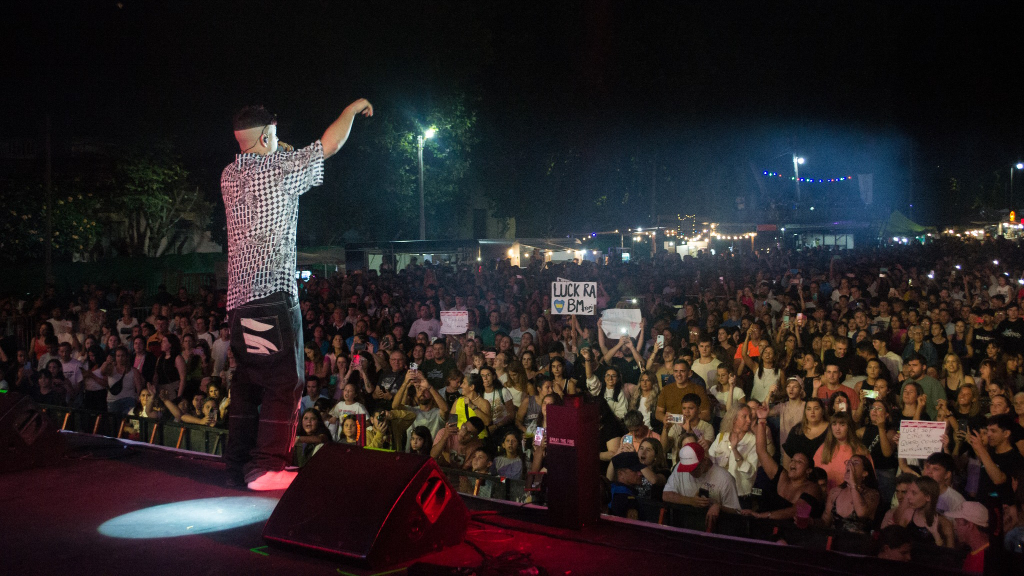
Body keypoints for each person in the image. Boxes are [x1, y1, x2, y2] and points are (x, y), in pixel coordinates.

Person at [221, 98, 373, 490]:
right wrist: (352, 110)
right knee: (283, 381)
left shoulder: (229, 175)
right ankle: (267, 466)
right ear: (269, 134)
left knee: (248, 383)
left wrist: (272, 141)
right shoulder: (279, 171)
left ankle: (237, 462)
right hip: (271, 296)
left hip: (238, 303)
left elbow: (270, 150)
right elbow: (329, 145)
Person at [745, 402, 824, 522]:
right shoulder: (782, 476)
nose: (793, 463)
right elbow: (761, 451)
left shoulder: (812, 488)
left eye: (799, 462)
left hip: (794, 534)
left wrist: (763, 516)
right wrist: (761, 419)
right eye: (792, 460)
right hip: (770, 528)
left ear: (808, 470)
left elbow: (796, 510)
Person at [662, 442, 741, 532]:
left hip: (713, 531)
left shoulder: (725, 478)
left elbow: (736, 512)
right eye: (687, 469)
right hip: (685, 526)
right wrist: (690, 501)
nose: (691, 472)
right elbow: (666, 495)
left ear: (705, 460)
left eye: (694, 468)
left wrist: (718, 506)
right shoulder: (679, 468)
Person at [708, 404, 761, 505]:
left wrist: (735, 450)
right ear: (734, 419)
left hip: (739, 496)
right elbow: (711, 461)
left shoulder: (753, 440)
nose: (749, 420)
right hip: (718, 493)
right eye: (744, 417)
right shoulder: (721, 436)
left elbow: (750, 473)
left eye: (750, 416)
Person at [883, 476, 954, 547]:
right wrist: (893, 531)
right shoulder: (908, 515)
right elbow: (900, 546)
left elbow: (949, 555)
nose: (908, 497)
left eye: (914, 493)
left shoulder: (944, 523)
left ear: (928, 497)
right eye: (909, 492)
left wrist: (936, 535)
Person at [818, 454, 881, 535]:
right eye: (849, 462)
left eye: (855, 463)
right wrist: (811, 521)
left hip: (858, 543)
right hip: (834, 541)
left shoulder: (872, 493)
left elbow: (861, 513)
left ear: (864, 473)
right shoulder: (835, 492)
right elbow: (826, 521)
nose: (850, 465)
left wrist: (853, 485)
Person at [813, 411, 871, 491]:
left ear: (849, 427)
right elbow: (815, 476)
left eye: (842, 425)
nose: (837, 428)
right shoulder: (823, 449)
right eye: (834, 424)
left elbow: (869, 478)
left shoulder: (860, 450)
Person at [945, 501, 992, 576]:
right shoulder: (976, 552)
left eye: (958, 523)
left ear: (970, 525)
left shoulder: (984, 561)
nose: (955, 527)